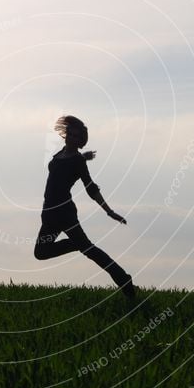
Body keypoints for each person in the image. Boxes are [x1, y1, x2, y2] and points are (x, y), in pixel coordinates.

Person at [34, 115, 137, 299]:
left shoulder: (77, 161)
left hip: (65, 214)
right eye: (70, 134)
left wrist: (109, 211)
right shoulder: (61, 155)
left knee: (89, 250)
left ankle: (124, 280)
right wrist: (83, 156)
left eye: (76, 136)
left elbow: (91, 188)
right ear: (65, 135)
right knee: (41, 252)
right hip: (49, 215)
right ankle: (75, 245)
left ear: (81, 140)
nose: (72, 138)